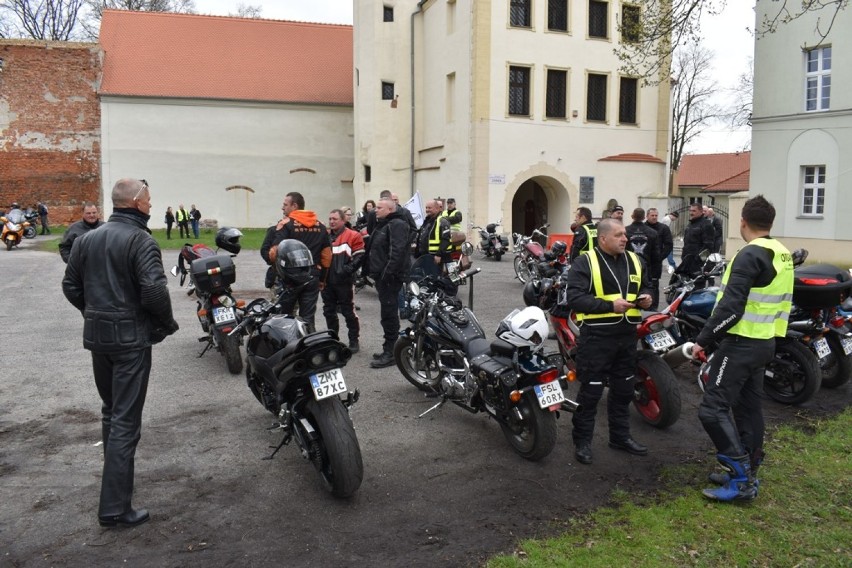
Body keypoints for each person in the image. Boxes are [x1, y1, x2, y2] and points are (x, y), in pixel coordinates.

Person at [62, 178, 179, 528]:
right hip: (129, 341)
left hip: (101, 339)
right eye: (149, 199)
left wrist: (93, 313)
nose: (152, 204)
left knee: (112, 413)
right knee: (125, 420)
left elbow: (71, 285)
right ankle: (114, 507)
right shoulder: (140, 240)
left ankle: (114, 495)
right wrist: (164, 324)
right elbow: (154, 291)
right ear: (137, 203)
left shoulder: (87, 239)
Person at [691, 195, 793, 502]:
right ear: (771, 222)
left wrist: (703, 340)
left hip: (741, 342)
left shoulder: (750, 254)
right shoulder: (782, 252)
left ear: (743, 222)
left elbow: (731, 307)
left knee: (712, 409)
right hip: (765, 341)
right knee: (748, 408)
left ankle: (739, 480)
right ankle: (749, 468)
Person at [560, 219, 653, 465]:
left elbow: (648, 285)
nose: (625, 238)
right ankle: (582, 442)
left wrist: (647, 297)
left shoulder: (635, 260)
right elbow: (575, 298)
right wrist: (610, 306)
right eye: (619, 235)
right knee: (590, 393)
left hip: (627, 337)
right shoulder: (585, 262)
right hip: (597, 338)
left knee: (623, 391)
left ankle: (620, 438)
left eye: (625, 234)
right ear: (603, 239)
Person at [260, 192, 331, 332]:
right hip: (312, 277)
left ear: (295, 206)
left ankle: (284, 349)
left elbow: (274, 252)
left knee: (284, 317)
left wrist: (275, 267)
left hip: (289, 278)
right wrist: (322, 279)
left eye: (285, 205)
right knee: (308, 317)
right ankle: (309, 346)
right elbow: (327, 257)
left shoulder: (286, 224)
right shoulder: (321, 226)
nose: (282, 208)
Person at [368, 197, 412, 368]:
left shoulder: (397, 225)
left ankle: (392, 352)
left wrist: (386, 275)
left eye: (379, 207)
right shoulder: (385, 223)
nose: (375, 210)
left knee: (389, 314)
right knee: (387, 314)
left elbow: (396, 252)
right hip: (383, 277)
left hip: (390, 278)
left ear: (390, 210)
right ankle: (389, 347)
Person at [322, 208, 365, 352]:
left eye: (335, 219)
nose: (332, 222)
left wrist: (346, 271)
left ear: (343, 220)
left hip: (344, 282)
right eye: (330, 219)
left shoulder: (353, 235)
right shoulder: (325, 236)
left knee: (348, 312)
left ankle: (354, 340)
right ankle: (333, 339)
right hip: (327, 281)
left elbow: (359, 257)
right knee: (329, 311)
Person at [645, 208, 673, 309]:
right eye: (652, 215)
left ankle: (654, 307)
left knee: (654, 285)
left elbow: (669, 244)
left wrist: (660, 257)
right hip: (643, 262)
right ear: (647, 216)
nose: (654, 217)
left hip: (656, 263)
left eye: (656, 215)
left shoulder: (663, 228)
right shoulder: (643, 228)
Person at [679, 203, 715, 276]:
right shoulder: (690, 225)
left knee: (698, 286)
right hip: (686, 262)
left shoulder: (706, 225)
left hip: (697, 265)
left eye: (694, 211)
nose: (691, 213)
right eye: (690, 211)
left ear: (701, 211)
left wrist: (698, 260)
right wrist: (683, 257)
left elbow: (708, 247)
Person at [416, 199, 452, 268]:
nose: (427, 210)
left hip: (438, 258)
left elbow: (446, 239)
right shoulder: (427, 221)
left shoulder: (442, 221)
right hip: (427, 256)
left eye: (429, 208)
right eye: (426, 208)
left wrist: (439, 255)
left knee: (438, 277)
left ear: (437, 209)